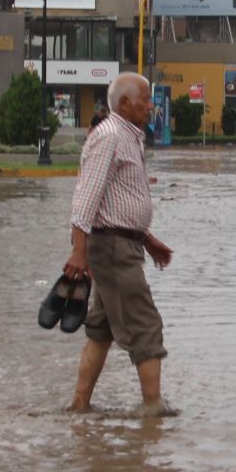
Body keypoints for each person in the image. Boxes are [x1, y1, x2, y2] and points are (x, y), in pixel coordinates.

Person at [63, 72, 172, 414]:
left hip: (122, 243)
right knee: (145, 324)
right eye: (146, 100)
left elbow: (118, 199)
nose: (151, 107)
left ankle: (80, 405)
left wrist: (147, 239)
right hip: (112, 249)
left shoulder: (129, 137)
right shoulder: (110, 136)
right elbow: (86, 197)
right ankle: (153, 409)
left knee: (102, 329)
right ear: (125, 104)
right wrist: (79, 252)